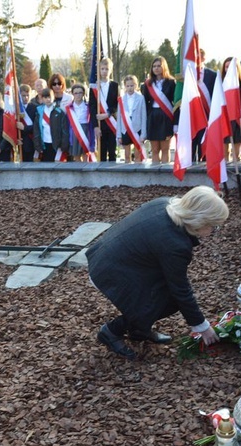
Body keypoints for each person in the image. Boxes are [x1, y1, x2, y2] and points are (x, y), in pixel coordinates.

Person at [87, 186, 229, 360]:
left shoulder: (165, 203)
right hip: (110, 271)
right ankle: (110, 331)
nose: (213, 231)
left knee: (165, 296)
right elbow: (180, 289)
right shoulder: (175, 243)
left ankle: (138, 330)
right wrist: (202, 326)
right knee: (165, 301)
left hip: (110, 258)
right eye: (214, 226)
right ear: (199, 221)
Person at [141, 56, 176, 164]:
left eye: (159, 66)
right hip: (153, 117)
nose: (156, 68)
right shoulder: (147, 84)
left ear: (164, 67)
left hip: (166, 116)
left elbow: (175, 101)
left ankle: (165, 178)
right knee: (155, 150)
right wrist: (148, 115)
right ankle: (155, 178)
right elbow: (145, 102)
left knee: (165, 149)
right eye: (154, 66)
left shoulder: (171, 82)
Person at [221, 57, 241, 163]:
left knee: (237, 149)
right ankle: (225, 172)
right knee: (224, 148)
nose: (228, 69)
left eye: (231, 67)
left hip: (239, 118)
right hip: (224, 118)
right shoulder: (220, 84)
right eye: (226, 67)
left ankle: (236, 170)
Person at [89, 57, 119, 161]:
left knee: (112, 152)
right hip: (100, 124)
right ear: (99, 70)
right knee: (101, 153)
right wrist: (95, 126)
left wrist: (107, 114)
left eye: (107, 69)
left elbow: (116, 104)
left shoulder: (115, 86)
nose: (104, 71)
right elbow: (92, 107)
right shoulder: (94, 87)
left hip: (111, 122)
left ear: (110, 70)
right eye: (102, 69)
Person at [116, 75, 147, 163]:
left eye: (132, 85)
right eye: (128, 86)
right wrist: (119, 135)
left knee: (137, 155)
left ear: (136, 85)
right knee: (126, 155)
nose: (130, 88)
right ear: (124, 86)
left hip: (137, 128)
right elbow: (119, 118)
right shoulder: (121, 99)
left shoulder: (141, 98)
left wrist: (143, 134)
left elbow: (143, 116)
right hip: (125, 129)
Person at [33, 88, 69, 162]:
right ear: (42, 99)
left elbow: (65, 130)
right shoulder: (39, 112)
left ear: (53, 97)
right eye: (45, 97)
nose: (48, 99)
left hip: (57, 145)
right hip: (44, 144)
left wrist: (63, 145)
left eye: (50, 97)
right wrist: (37, 145)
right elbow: (36, 130)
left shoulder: (59, 112)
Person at [65, 83, 95, 162]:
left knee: (86, 153)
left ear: (83, 93)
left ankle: (86, 170)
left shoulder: (87, 106)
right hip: (74, 131)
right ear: (72, 94)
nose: (78, 95)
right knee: (76, 154)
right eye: (76, 93)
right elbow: (67, 123)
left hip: (86, 130)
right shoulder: (69, 108)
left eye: (80, 93)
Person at [18, 84, 37, 161]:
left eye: (27, 95)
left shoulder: (34, 108)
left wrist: (24, 128)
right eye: (23, 96)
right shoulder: (16, 108)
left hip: (31, 141)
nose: (25, 98)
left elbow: (36, 126)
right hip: (20, 141)